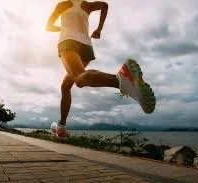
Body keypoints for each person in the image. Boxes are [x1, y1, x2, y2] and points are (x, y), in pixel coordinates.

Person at [46, 0, 156, 137]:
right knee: (66, 85)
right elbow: (104, 5)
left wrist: (61, 28)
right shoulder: (87, 5)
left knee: (79, 79)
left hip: (68, 42)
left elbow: (48, 26)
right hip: (86, 47)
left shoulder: (63, 4)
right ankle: (61, 126)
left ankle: (121, 80)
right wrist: (99, 29)